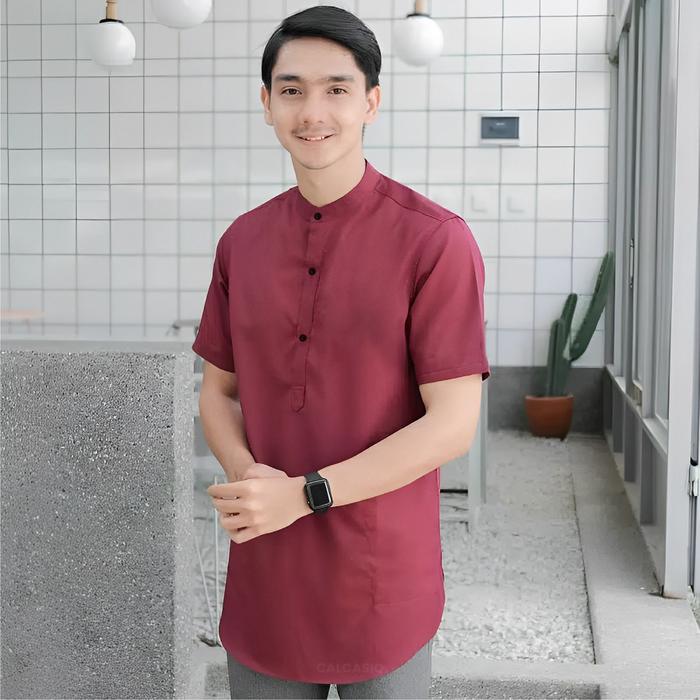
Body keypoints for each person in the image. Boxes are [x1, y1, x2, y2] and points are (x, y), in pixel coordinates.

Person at [192, 5, 491, 699]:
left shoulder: (435, 241)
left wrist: (305, 495)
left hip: (381, 578)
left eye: (336, 89)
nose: (313, 111)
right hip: (266, 574)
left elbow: (452, 425)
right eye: (292, 90)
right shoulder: (242, 242)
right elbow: (218, 392)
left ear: (371, 103)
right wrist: (248, 478)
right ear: (266, 104)